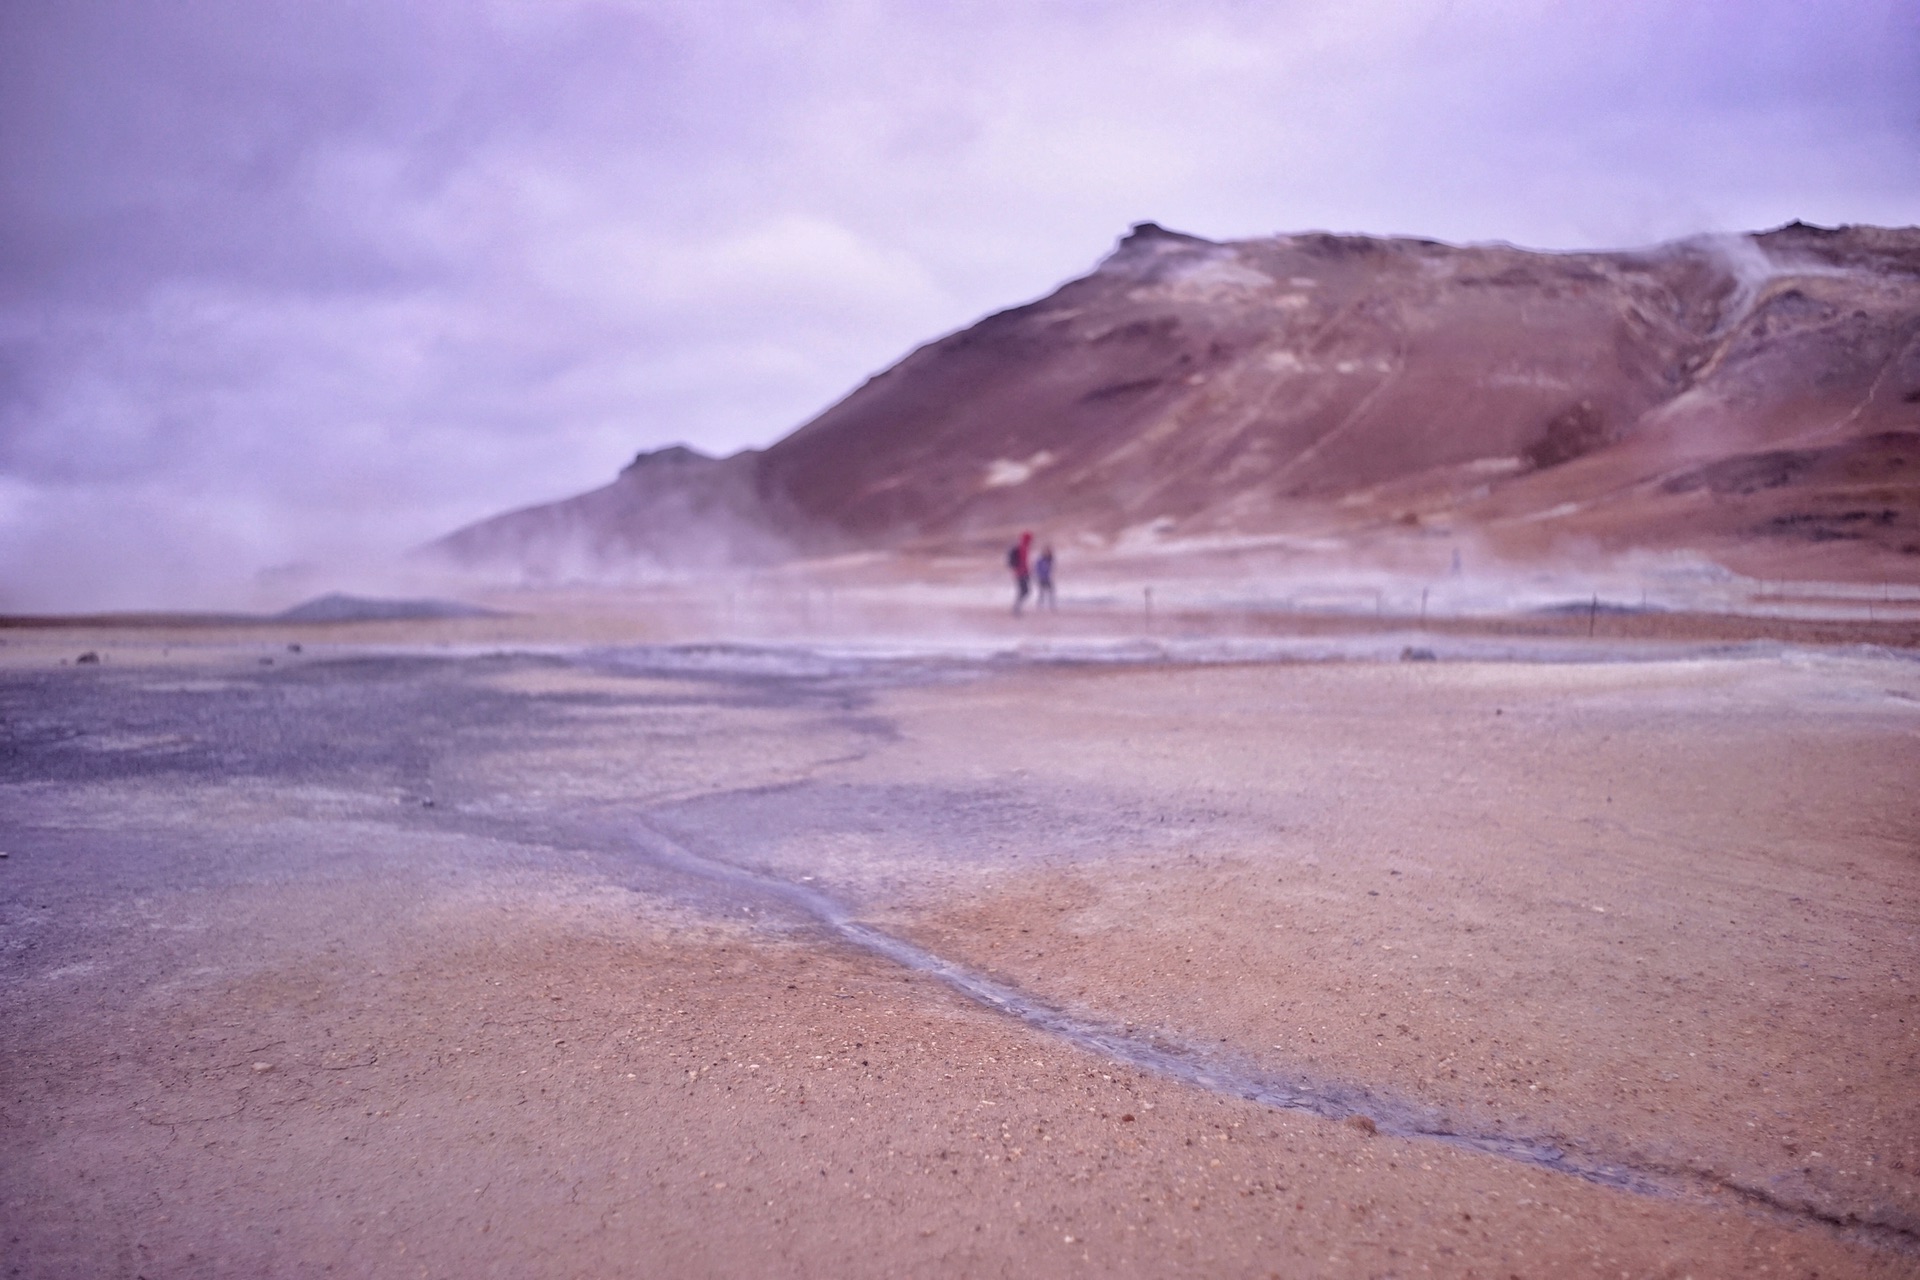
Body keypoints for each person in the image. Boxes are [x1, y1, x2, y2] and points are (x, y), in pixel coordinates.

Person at [1007, 530, 1033, 614]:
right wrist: (1025, 571)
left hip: (1020, 572)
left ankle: (1017, 607)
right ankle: (1016, 608)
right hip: (1020, 573)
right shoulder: (1023, 547)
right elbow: (1023, 561)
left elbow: (1024, 561)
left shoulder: (1023, 547)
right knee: (1025, 591)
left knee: (1024, 591)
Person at [1034, 545, 1056, 610]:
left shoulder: (1049, 559)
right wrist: (1038, 575)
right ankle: (1039, 605)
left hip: (1047, 578)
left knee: (1051, 590)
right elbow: (1037, 568)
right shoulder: (1041, 560)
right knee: (1042, 592)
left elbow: (1050, 569)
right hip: (1041, 578)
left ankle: (1051, 604)